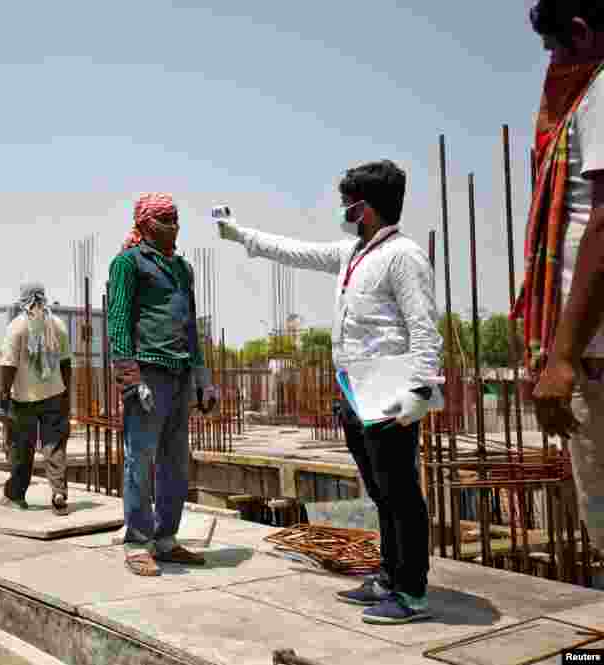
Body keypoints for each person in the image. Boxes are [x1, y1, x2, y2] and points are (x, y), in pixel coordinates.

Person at [214, 161, 443, 624]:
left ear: (366, 208)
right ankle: (389, 574)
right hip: (356, 392)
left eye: (347, 204)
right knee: (379, 491)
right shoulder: (353, 253)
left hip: (390, 393)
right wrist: (241, 236)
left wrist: (421, 388)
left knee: (400, 493)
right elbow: (295, 252)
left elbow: (423, 327)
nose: (342, 211)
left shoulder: (404, 256)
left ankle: (412, 591)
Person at [519, 0, 604, 555]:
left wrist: (564, 356)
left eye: (552, 49)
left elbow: (603, 221)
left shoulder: (602, 93)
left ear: (578, 32)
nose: (551, 64)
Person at [107, 192, 217, 577]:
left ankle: (165, 539)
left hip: (180, 373)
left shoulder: (182, 269)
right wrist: (131, 376)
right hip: (147, 373)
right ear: (145, 225)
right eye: (164, 220)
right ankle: (138, 542)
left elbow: (191, 327)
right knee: (141, 459)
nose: (173, 226)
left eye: (176, 219)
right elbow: (118, 321)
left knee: (175, 463)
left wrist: (203, 379)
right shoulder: (127, 263)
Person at [0, 282, 73, 515]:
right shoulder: (57, 325)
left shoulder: (17, 327)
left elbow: (8, 366)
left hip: (23, 399)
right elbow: (66, 363)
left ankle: (16, 496)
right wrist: (66, 393)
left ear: (24, 300)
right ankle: (58, 491)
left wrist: (3, 396)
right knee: (55, 445)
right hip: (54, 396)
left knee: (22, 448)